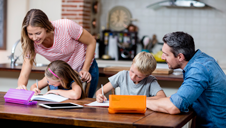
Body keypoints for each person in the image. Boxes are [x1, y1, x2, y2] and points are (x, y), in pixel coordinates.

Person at [146, 31, 226, 128]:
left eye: (166, 54)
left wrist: (141, 102)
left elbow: (174, 106)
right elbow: (179, 99)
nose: (162, 57)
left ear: (180, 57)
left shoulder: (198, 70)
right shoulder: (202, 59)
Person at [17, 9, 99, 98]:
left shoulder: (66, 26)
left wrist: (85, 69)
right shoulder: (31, 42)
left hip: (84, 70)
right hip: (62, 75)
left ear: (46, 27)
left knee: (83, 106)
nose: (34, 38)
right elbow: (25, 72)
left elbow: (91, 42)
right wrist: (21, 86)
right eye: (30, 34)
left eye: (38, 33)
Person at [96, 52, 166, 103]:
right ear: (132, 63)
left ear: (147, 75)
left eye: (138, 76)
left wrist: (140, 100)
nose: (132, 77)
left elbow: (162, 97)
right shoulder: (122, 75)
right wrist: (99, 96)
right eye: (132, 71)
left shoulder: (150, 80)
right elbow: (100, 91)